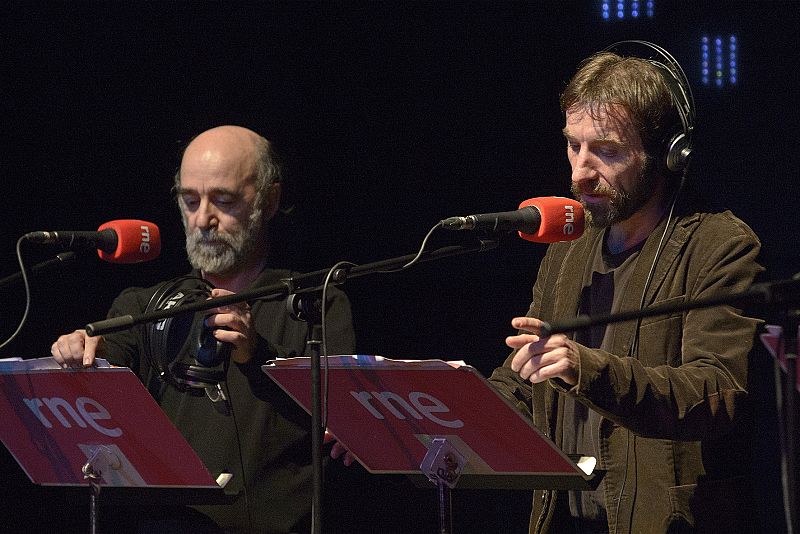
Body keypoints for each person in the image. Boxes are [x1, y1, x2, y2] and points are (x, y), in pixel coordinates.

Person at [487, 45, 763, 533]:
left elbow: (716, 394)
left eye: (607, 151)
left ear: (668, 154)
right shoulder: (569, 246)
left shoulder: (720, 245)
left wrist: (587, 368)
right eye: (574, 145)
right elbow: (527, 382)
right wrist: (431, 410)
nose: (579, 173)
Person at [50, 125, 356, 533]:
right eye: (189, 200)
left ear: (269, 200)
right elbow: (106, 368)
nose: (203, 219)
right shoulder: (142, 306)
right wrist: (82, 357)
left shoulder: (315, 302)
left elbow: (343, 427)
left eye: (223, 200)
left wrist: (258, 355)